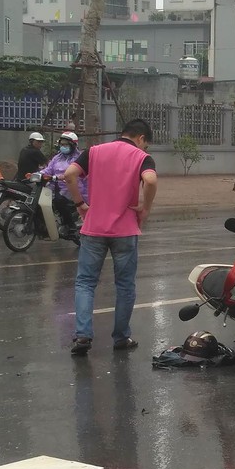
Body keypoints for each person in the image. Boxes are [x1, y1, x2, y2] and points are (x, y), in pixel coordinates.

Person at [63, 119, 158, 356]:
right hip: (125, 231)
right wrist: (145, 208)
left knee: (85, 283)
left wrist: (79, 204)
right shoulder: (141, 157)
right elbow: (150, 180)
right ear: (141, 138)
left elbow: (69, 174)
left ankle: (83, 335)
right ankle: (121, 337)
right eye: (146, 145)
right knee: (125, 285)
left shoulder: (94, 152)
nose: (145, 149)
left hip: (93, 227)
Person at [39, 132, 87, 235]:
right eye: (62, 144)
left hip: (74, 189)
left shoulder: (79, 158)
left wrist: (65, 176)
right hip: (56, 187)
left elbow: (80, 174)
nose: (63, 147)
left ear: (73, 145)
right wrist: (37, 175)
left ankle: (70, 225)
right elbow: (48, 170)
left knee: (59, 201)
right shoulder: (57, 158)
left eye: (66, 144)